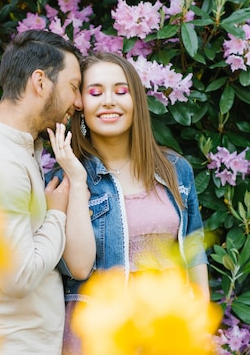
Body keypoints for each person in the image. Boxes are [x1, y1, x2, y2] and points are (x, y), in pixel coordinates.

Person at [0, 29, 95, 355]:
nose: (79, 102)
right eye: (73, 87)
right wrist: (56, 214)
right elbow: (18, 277)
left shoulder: (14, 151)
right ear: (40, 82)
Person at [55, 51, 210, 354]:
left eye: (121, 91)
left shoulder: (175, 169)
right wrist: (76, 180)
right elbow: (77, 267)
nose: (109, 101)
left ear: (136, 101)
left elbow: (194, 246)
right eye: (95, 92)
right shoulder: (68, 178)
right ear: (80, 106)